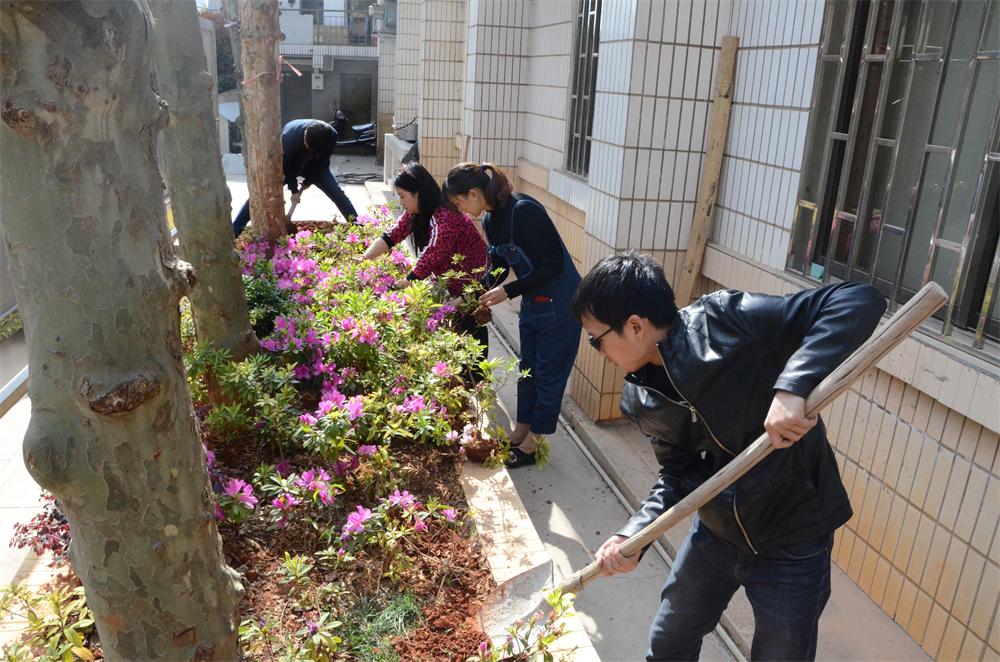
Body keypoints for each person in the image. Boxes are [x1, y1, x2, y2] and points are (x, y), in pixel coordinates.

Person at [570, 251, 886, 661]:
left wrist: (793, 386)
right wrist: (633, 535)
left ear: (634, 326)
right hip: (715, 534)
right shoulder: (640, 398)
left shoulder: (726, 321)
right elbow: (679, 473)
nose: (597, 351)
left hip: (792, 537)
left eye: (596, 339)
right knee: (668, 643)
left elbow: (858, 299)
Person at [442, 163, 582, 469]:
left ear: (474, 193)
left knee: (548, 376)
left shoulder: (524, 210)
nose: (462, 210)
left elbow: (553, 265)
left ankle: (534, 444)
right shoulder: (491, 220)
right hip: (535, 302)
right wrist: (471, 295)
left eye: (460, 202)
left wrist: (510, 291)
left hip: (561, 304)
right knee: (528, 369)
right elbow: (499, 267)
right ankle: (521, 431)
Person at [361, 162, 490, 361]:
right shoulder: (417, 212)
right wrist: (363, 259)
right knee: (453, 336)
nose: (401, 202)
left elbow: (433, 253)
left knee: (470, 337)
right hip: (453, 285)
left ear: (418, 193)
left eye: (403, 196)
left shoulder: (444, 216)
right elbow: (393, 234)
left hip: (473, 284)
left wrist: (407, 281)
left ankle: (475, 381)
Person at [233, 119, 358, 237]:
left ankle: (359, 228)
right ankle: (234, 232)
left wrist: (308, 181)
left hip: (316, 165)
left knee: (337, 193)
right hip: (287, 163)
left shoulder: (332, 136)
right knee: (259, 195)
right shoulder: (288, 138)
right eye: (309, 149)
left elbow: (322, 162)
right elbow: (288, 168)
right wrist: (294, 190)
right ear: (305, 136)